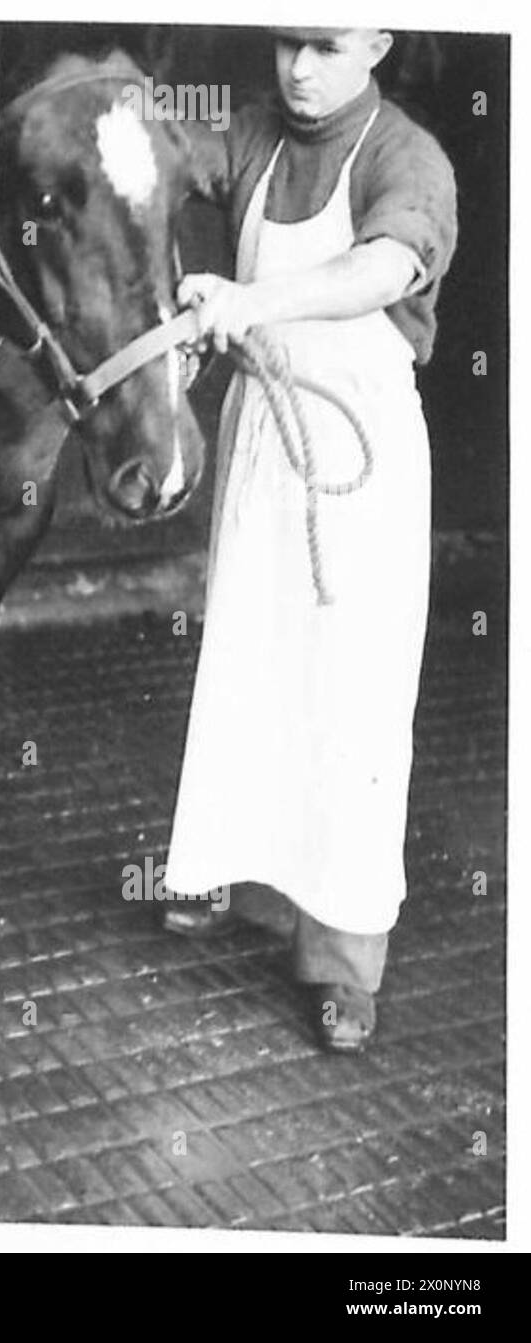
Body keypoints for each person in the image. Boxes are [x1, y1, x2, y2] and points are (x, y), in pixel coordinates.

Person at [161, 28, 459, 1051]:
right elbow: (151, 152)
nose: (299, 69)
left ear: (377, 38)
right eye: (285, 43)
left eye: (326, 46)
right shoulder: (250, 137)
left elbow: (383, 265)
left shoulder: (406, 154)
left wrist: (251, 299)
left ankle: (341, 960)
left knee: (351, 700)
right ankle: (235, 877)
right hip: (260, 434)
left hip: (356, 447)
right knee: (249, 664)